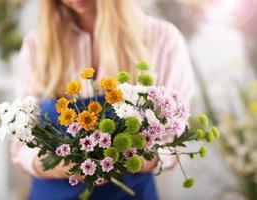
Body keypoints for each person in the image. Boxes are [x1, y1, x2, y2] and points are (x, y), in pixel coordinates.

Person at [11, 0, 194, 199]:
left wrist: (126, 161)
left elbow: (172, 140)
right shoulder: (39, 43)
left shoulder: (162, 39)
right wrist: (62, 167)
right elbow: (22, 146)